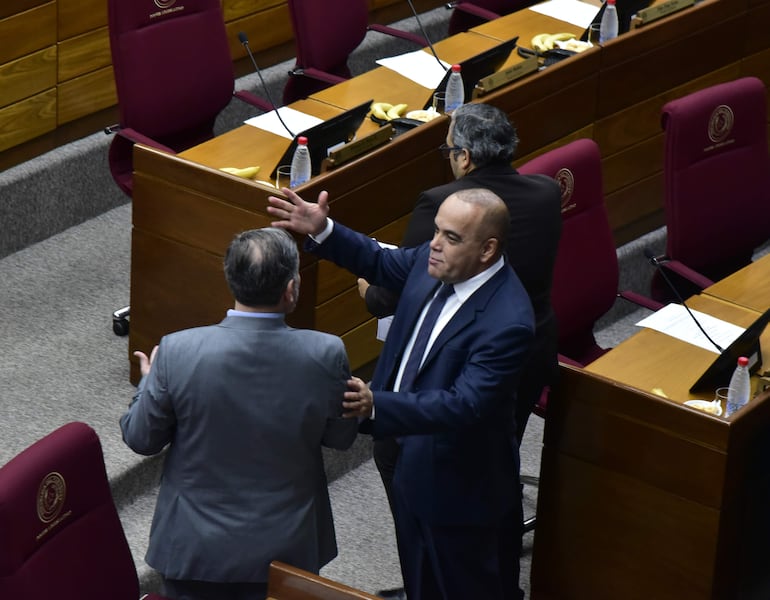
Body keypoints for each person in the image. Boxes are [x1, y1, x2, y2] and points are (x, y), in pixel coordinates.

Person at [268, 186, 535, 600]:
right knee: (419, 572)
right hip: (405, 450)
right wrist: (323, 229)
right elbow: (380, 260)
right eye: (437, 231)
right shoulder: (433, 263)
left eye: (451, 237)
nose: (435, 245)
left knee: (461, 584)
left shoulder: (508, 321)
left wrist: (378, 404)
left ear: (487, 250)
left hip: (457, 484)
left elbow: (465, 404)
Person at [120, 227, 358, 600]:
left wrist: (147, 385)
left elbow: (140, 438)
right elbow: (341, 438)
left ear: (232, 282)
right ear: (291, 288)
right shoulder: (326, 353)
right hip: (288, 548)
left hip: (195, 549)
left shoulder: (177, 351)